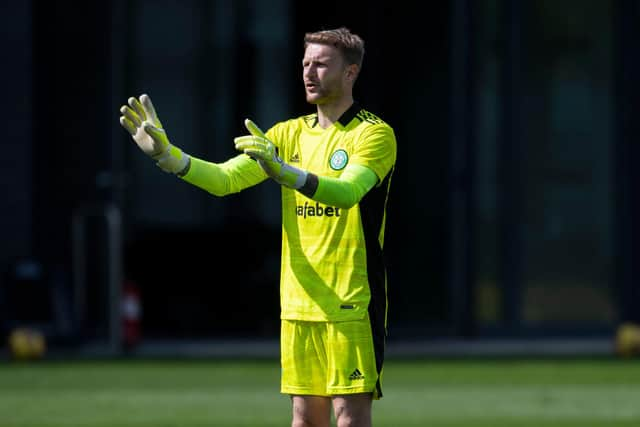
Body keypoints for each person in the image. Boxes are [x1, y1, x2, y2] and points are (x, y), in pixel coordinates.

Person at [119, 26, 396, 427]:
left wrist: (287, 174)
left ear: (351, 72)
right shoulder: (286, 134)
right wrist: (168, 156)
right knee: (304, 420)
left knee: (350, 419)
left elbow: (348, 191)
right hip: (298, 304)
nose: (309, 72)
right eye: (305, 63)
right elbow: (223, 180)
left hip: (351, 303)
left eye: (321, 64)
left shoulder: (373, 133)